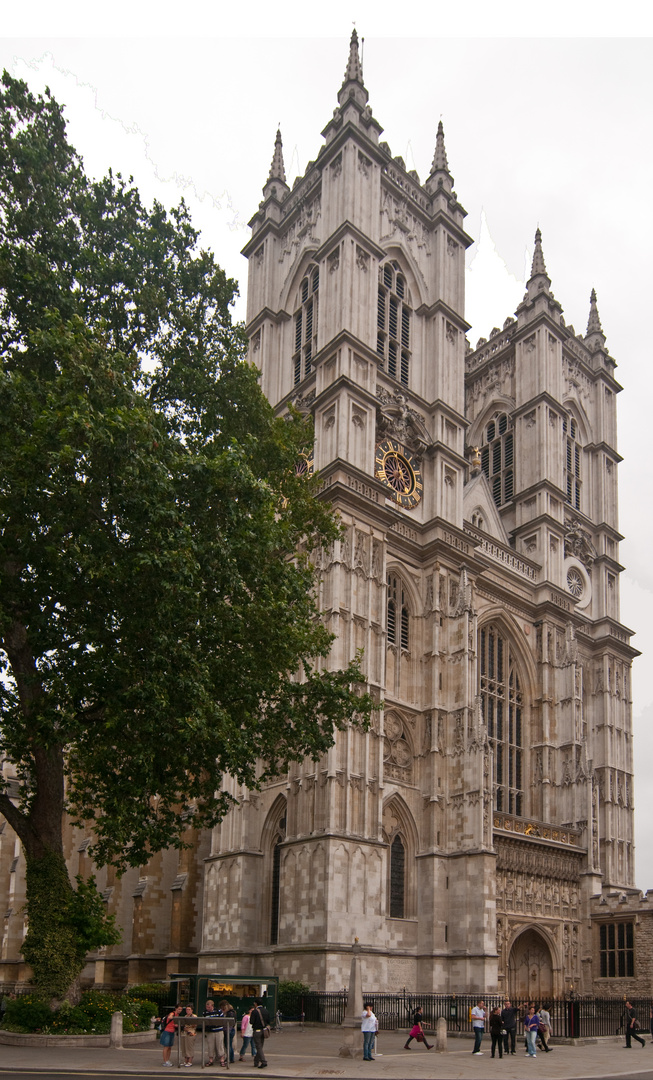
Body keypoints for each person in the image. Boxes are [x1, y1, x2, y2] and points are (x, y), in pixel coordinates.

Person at [203, 999, 226, 1067]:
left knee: (219, 1045)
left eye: (209, 1007)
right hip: (210, 1031)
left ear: (212, 1006)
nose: (208, 1009)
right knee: (210, 1046)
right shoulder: (205, 1013)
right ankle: (211, 1060)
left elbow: (222, 1020)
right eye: (207, 1007)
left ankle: (222, 1060)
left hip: (218, 1030)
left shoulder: (218, 1011)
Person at [251, 996, 271, 1069]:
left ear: (256, 1004)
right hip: (264, 1030)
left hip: (257, 1031)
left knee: (258, 1047)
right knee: (260, 1046)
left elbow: (251, 1022)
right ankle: (256, 1062)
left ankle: (263, 1061)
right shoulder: (266, 1011)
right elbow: (268, 1021)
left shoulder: (255, 1011)